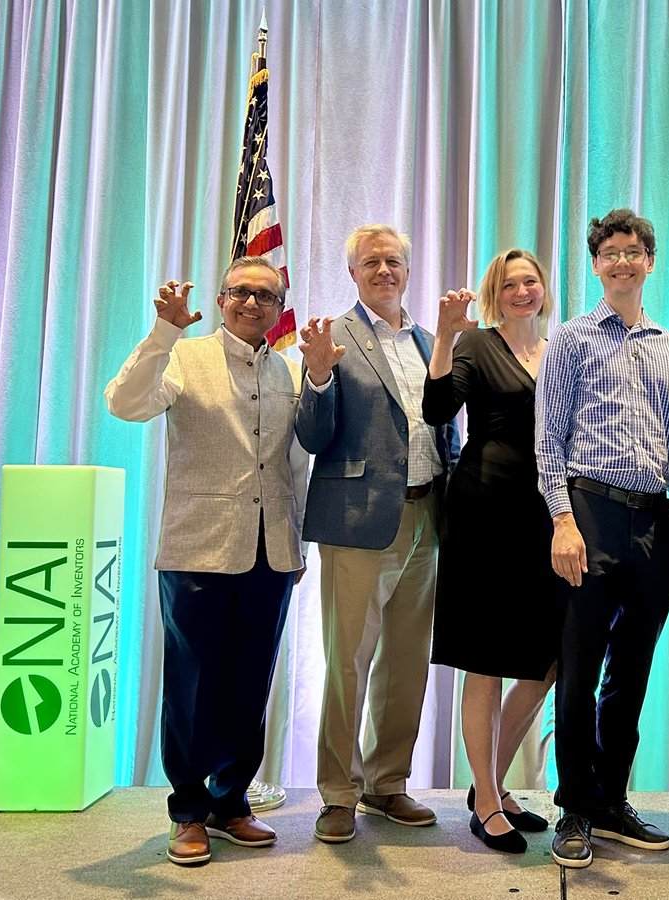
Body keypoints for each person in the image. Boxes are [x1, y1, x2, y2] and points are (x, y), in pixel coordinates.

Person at [535, 208, 669, 868]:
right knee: (578, 672)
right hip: (590, 513)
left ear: (650, 262)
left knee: (630, 674)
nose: (624, 261)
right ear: (596, 265)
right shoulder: (570, 340)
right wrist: (562, 521)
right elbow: (548, 437)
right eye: (611, 253)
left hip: (655, 519)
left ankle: (610, 799)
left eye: (635, 251)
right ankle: (573, 806)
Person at [105, 258, 308, 866]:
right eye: (242, 293)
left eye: (266, 296)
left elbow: (296, 464)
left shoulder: (295, 371)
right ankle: (188, 810)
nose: (253, 304)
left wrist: (297, 542)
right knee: (194, 683)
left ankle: (230, 803)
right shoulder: (183, 358)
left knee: (251, 680)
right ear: (222, 300)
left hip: (271, 550)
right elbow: (125, 403)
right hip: (198, 546)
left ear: (280, 308)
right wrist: (163, 331)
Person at [296, 225, 458, 844]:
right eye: (371, 262)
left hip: (426, 517)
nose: (383, 269)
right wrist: (315, 379)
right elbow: (313, 437)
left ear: (408, 271)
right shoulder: (331, 339)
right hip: (358, 521)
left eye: (393, 261)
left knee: (407, 663)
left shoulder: (428, 340)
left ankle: (387, 784)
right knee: (348, 663)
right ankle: (338, 793)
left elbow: (443, 429)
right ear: (354, 273)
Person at [422, 248, 558, 854]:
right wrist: (446, 338)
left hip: (546, 514)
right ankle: (484, 798)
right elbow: (437, 410)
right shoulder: (475, 344)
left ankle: (492, 785)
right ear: (494, 293)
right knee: (486, 661)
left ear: (544, 289)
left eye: (530, 281)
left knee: (546, 660)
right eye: (510, 284)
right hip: (483, 511)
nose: (521, 291)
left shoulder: (560, 349)